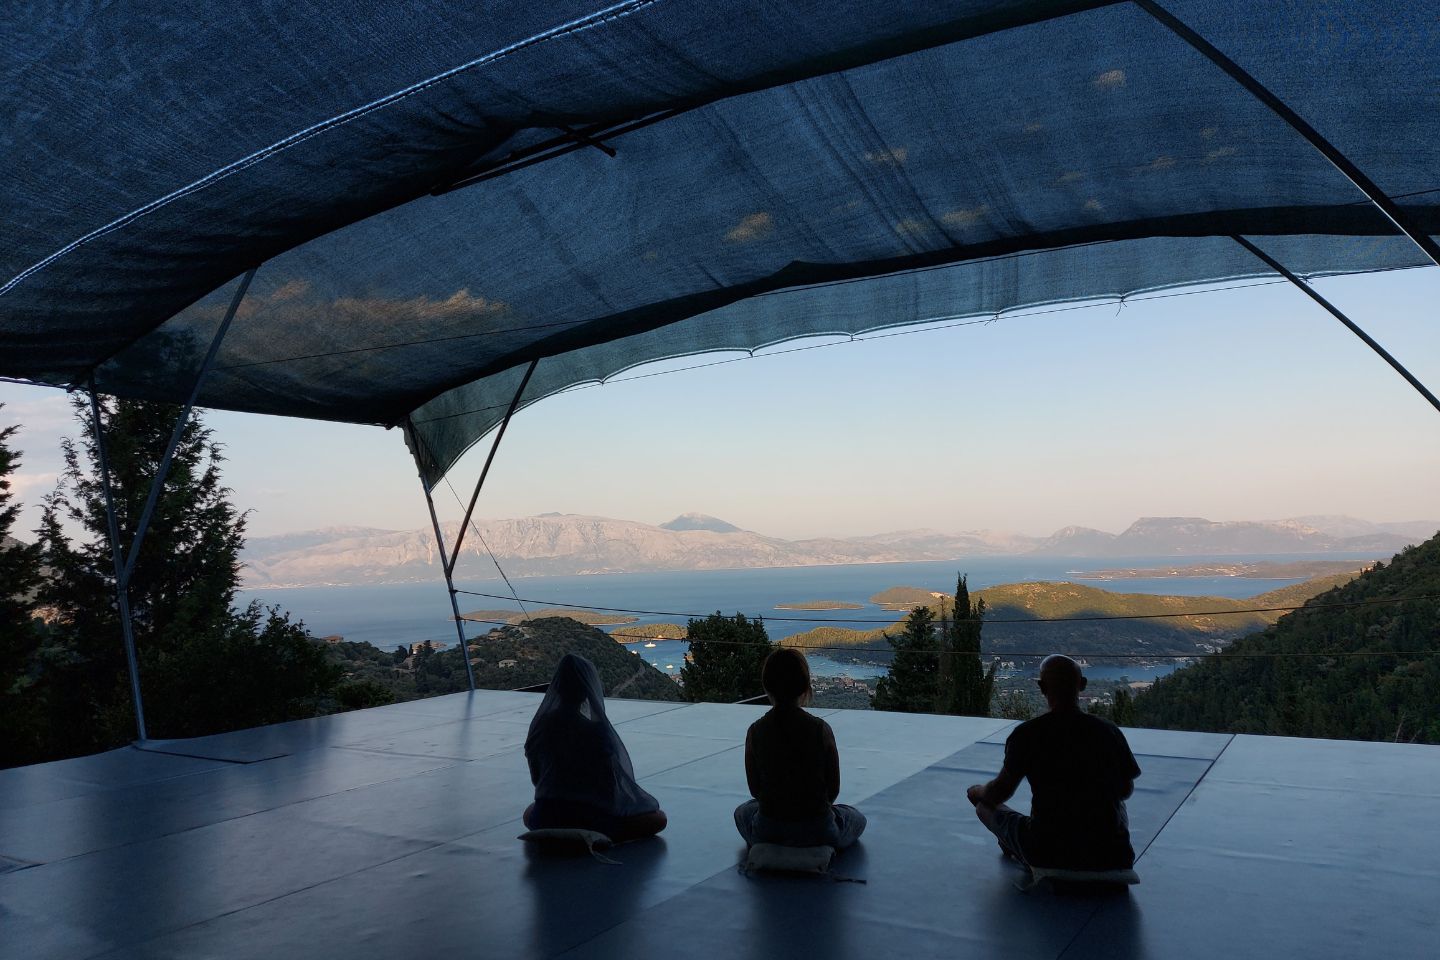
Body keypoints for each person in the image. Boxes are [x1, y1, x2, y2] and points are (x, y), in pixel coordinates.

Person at [966, 654, 1141, 870]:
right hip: (1112, 855)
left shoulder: (1027, 734)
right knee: (1118, 805)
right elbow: (1125, 790)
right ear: (1082, 684)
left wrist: (977, 792)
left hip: (1048, 852)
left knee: (983, 807)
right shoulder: (1108, 731)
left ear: (1042, 687)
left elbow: (998, 793)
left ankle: (1018, 848)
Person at [523, 653, 667, 842]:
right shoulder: (597, 731)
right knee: (659, 819)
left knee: (529, 813)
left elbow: (537, 779)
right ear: (588, 690)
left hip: (548, 815)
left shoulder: (541, 726)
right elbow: (611, 787)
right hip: (591, 818)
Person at [734, 648, 866, 849]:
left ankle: (773, 846)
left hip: (769, 830)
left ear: (767, 685)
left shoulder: (755, 731)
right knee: (856, 817)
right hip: (818, 830)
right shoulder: (821, 729)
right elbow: (833, 789)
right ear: (805, 686)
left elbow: (755, 790)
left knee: (743, 812)